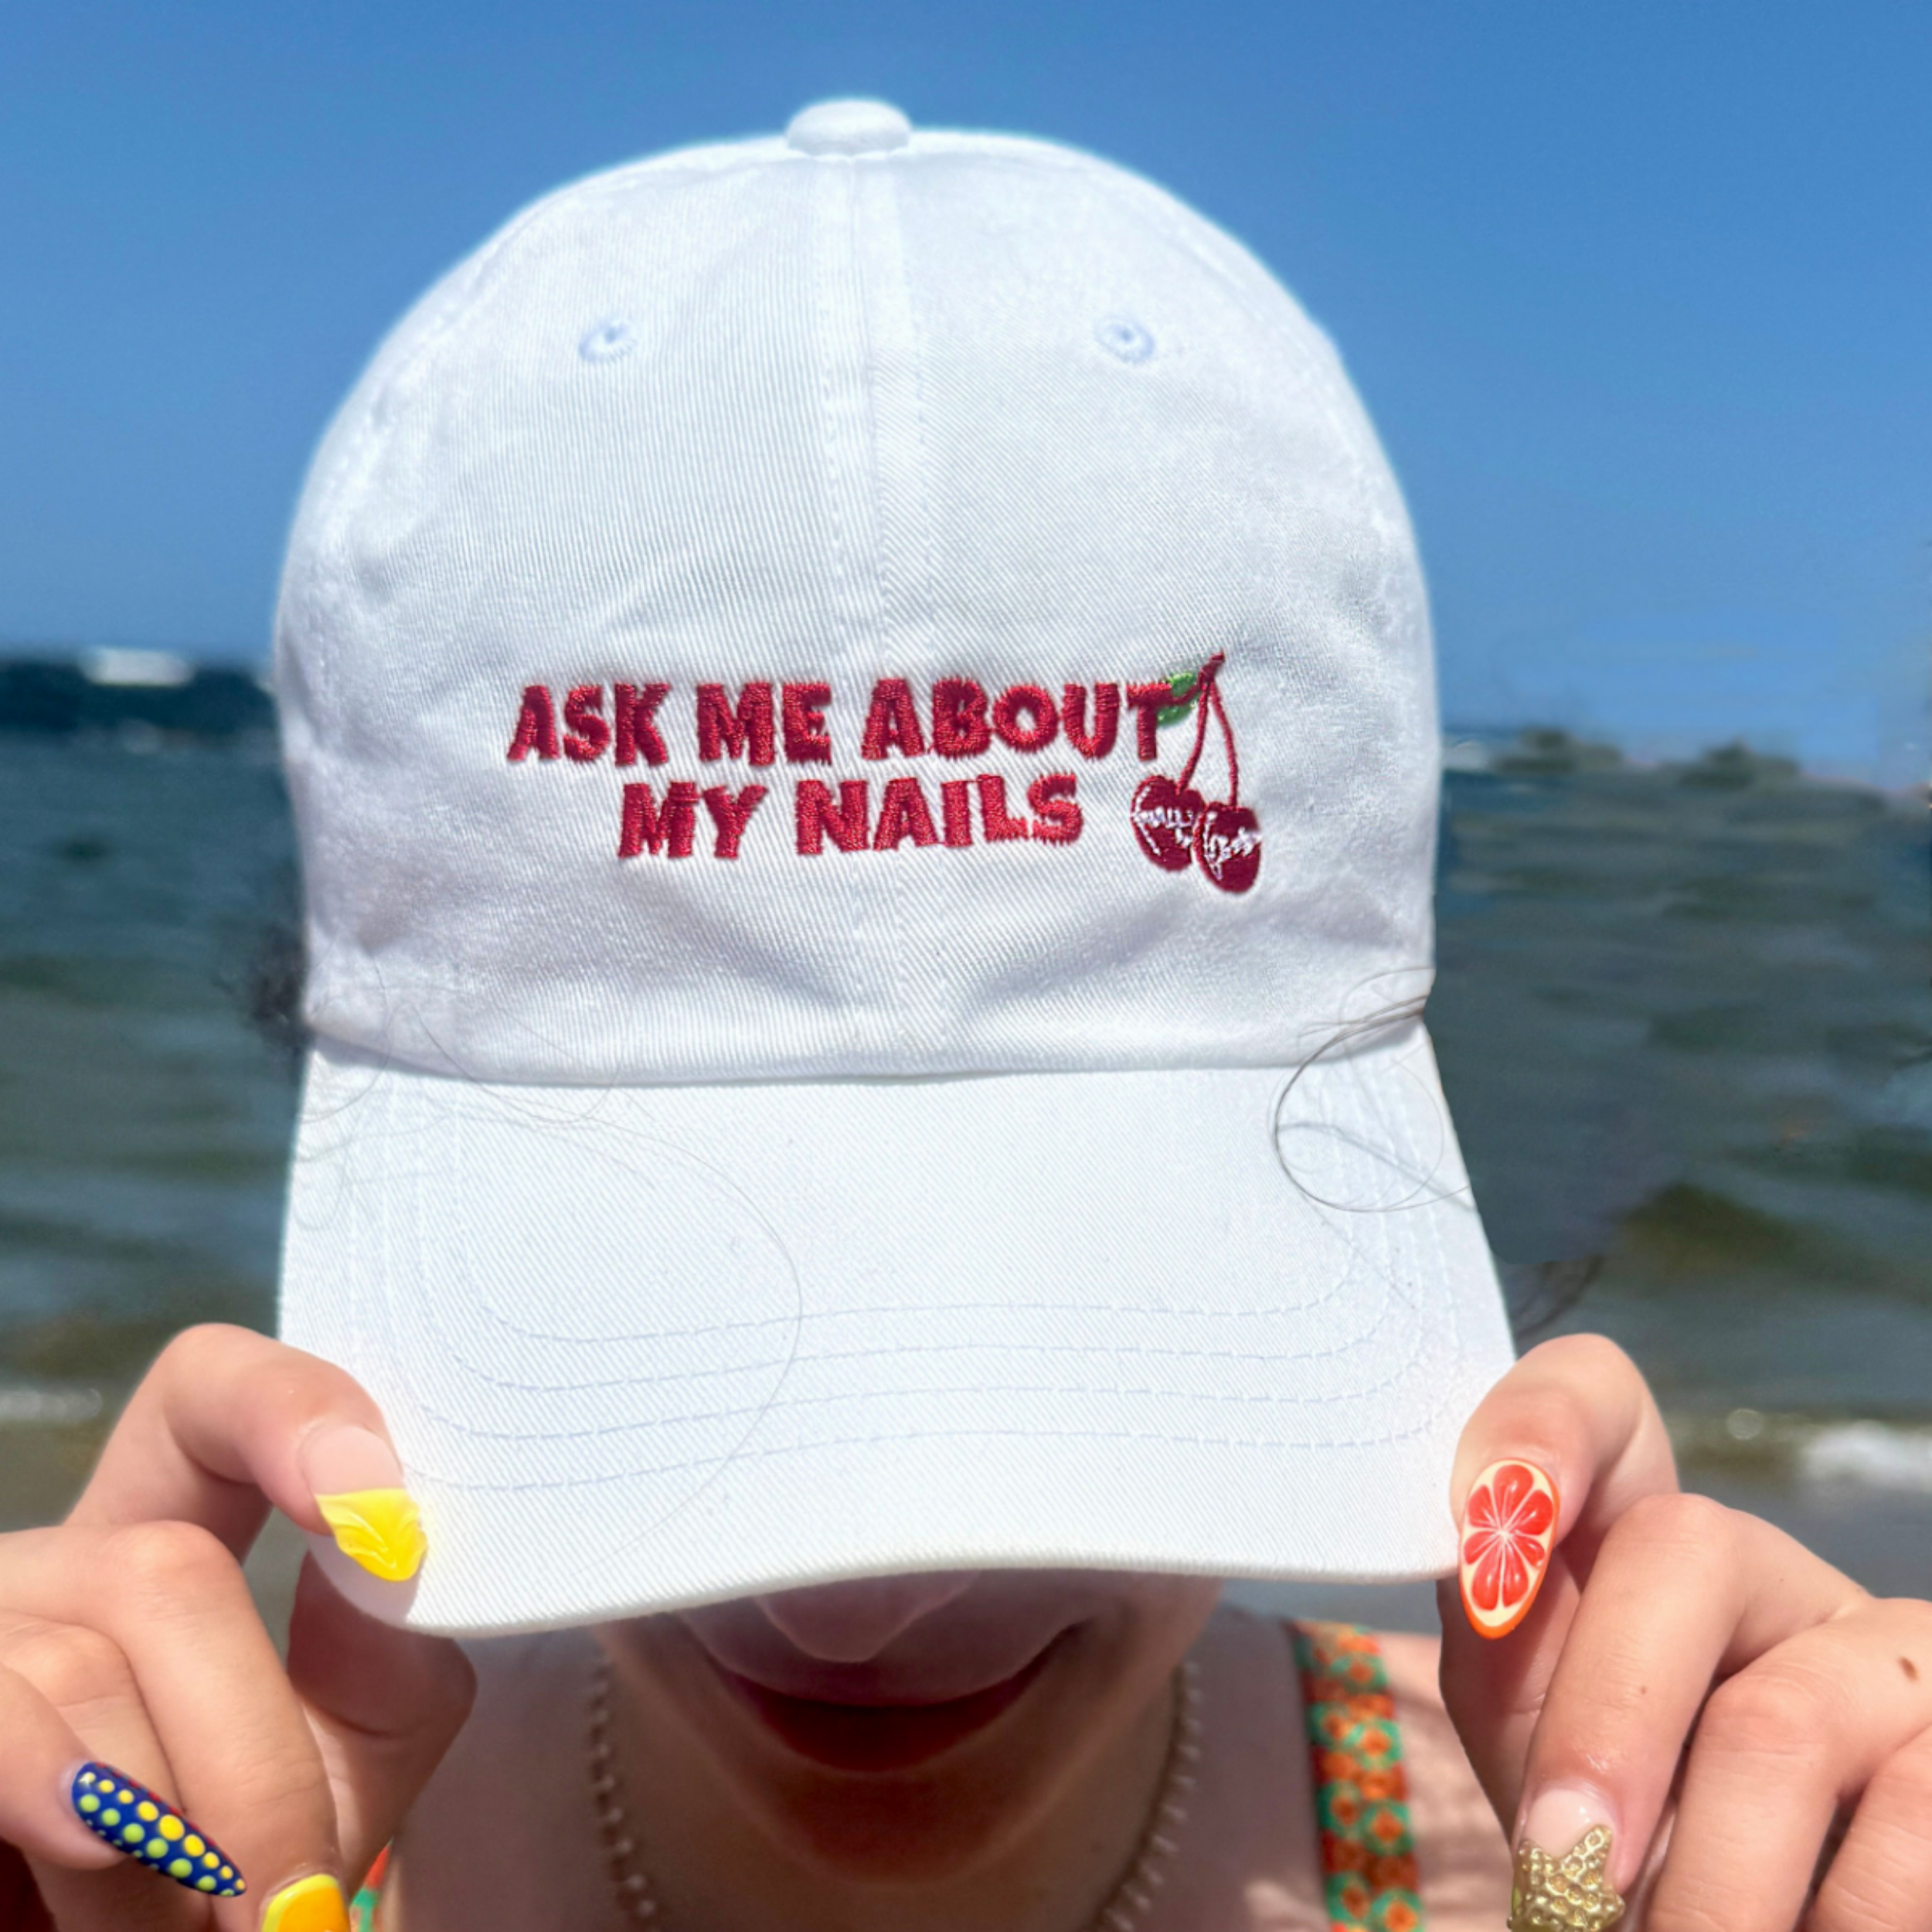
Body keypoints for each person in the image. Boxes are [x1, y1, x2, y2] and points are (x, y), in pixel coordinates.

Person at [1, 100, 1927, 1932]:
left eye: (1074, 1291)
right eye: (652, 1308)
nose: (870, 1604)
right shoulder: (200, 1872)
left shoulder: (1590, 1866)